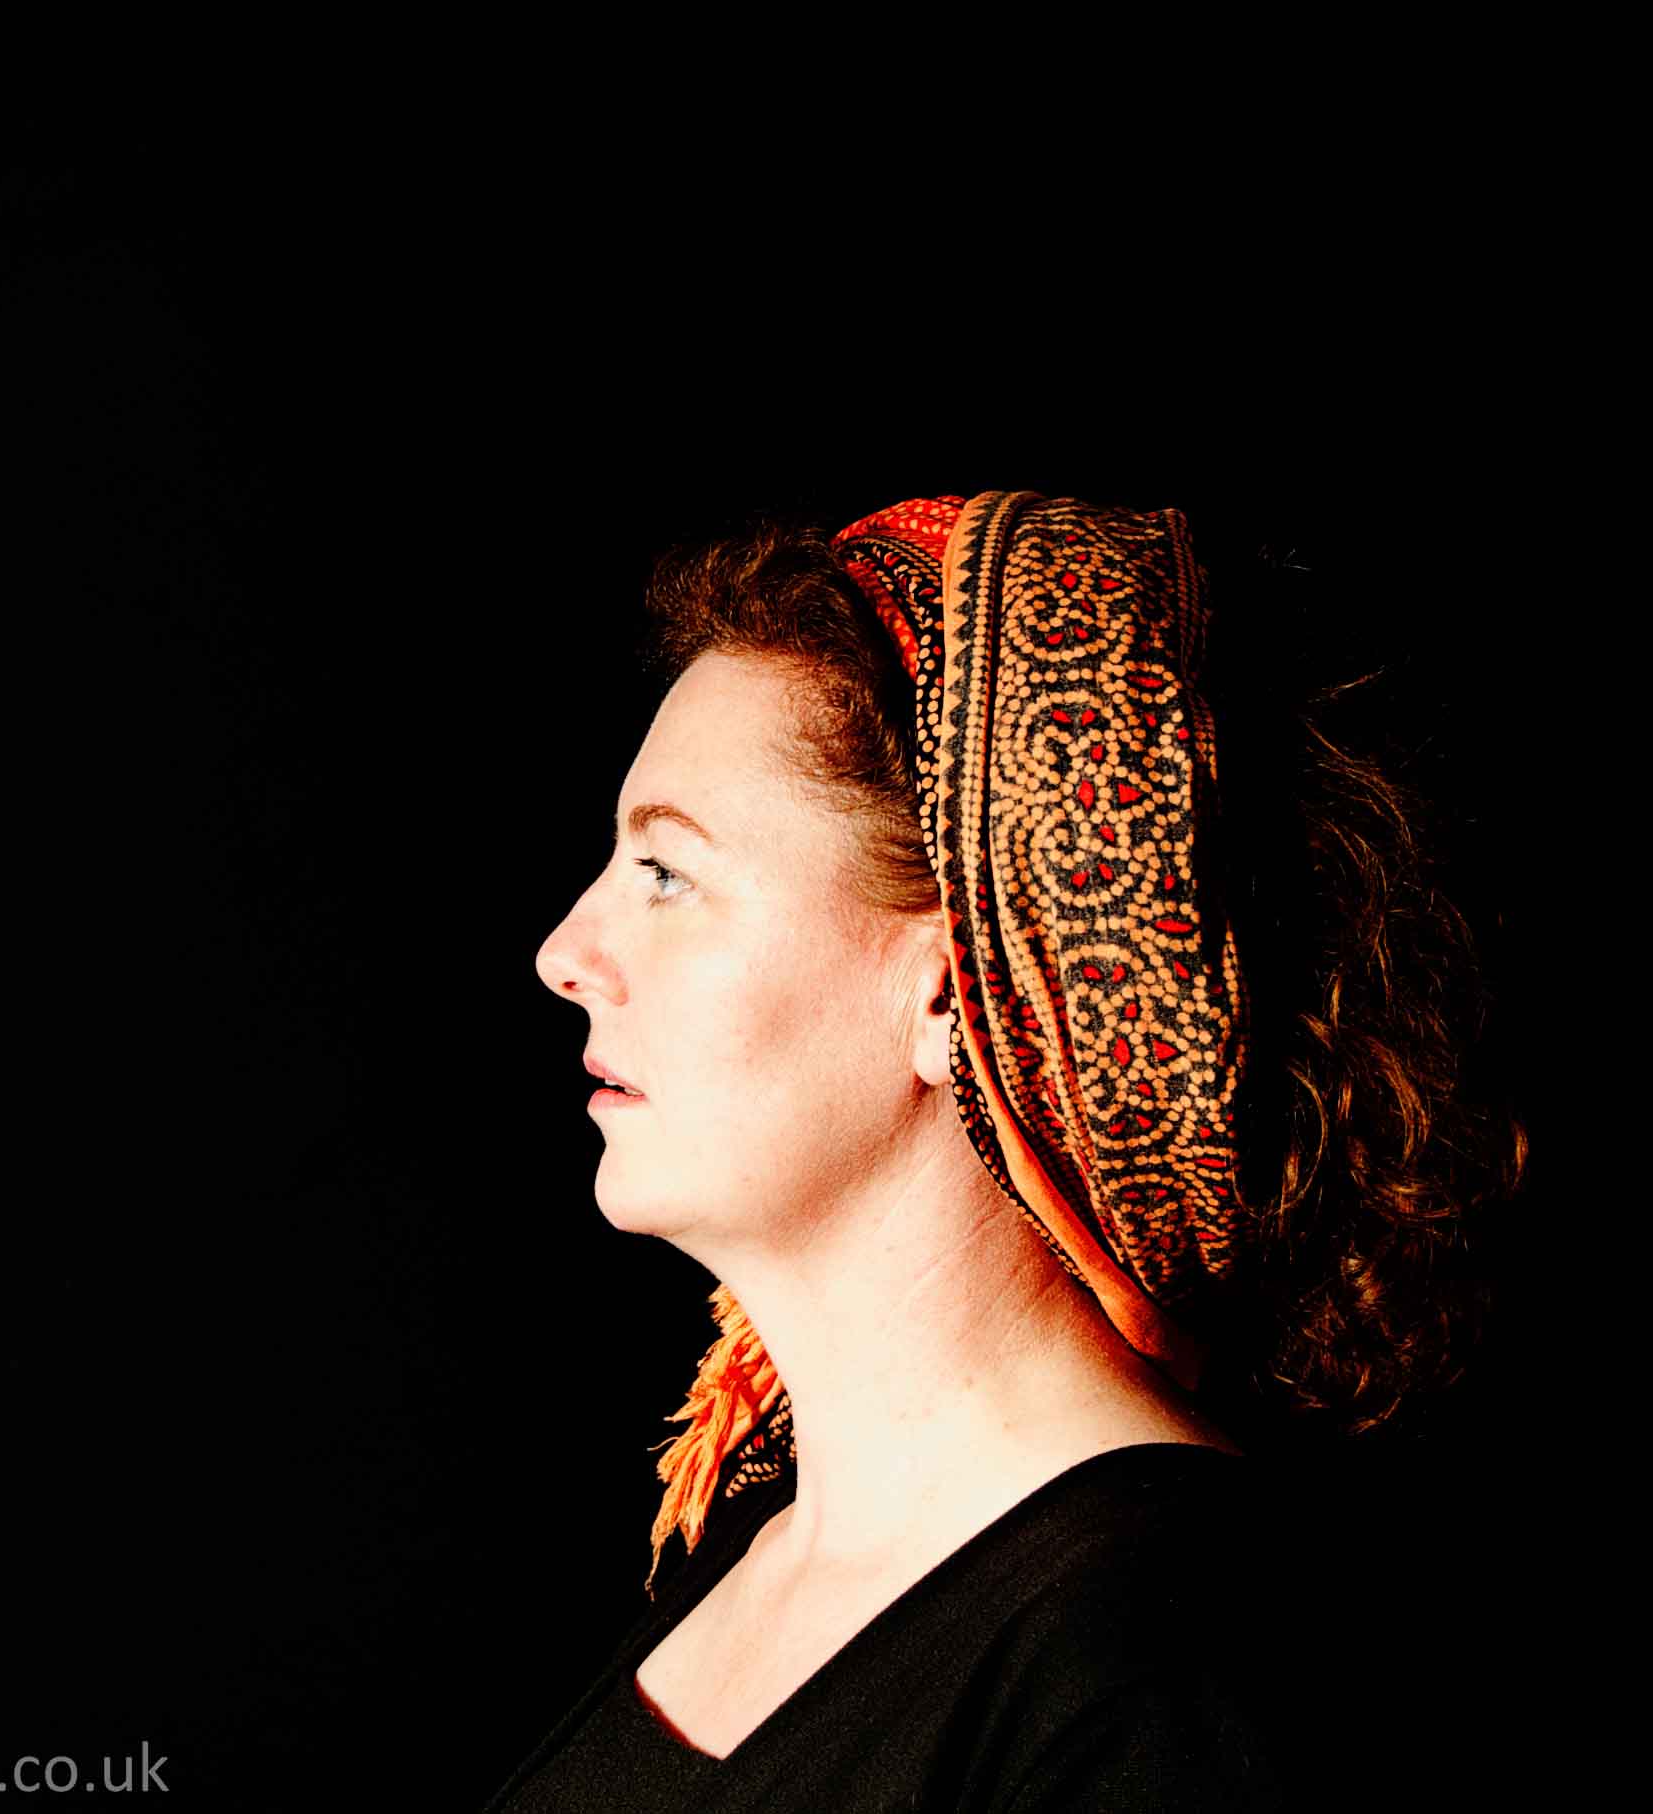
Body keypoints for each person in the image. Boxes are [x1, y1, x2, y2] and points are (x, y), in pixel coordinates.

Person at [484, 490, 1527, 1811]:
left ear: (948, 988)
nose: (566, 953)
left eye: (668, 875)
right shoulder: (761, 1549)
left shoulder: (1148, 1682)